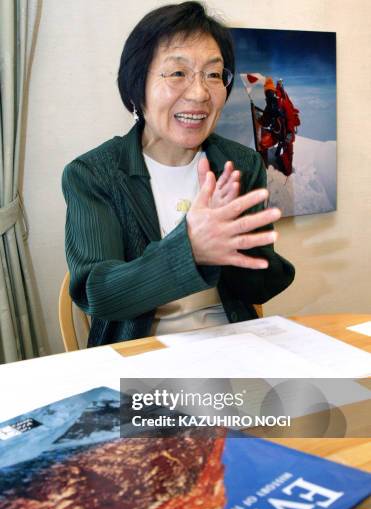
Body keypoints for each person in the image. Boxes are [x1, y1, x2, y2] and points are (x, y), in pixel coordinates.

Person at [62, 1, 295, 348]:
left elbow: (258, 288)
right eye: (177, 73)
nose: (200, 93)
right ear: (137, 84)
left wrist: (244, 252)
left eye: (214, 75)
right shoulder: (94, 174)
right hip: (139, 354)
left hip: (233, 348)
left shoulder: (241, 164)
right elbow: (99, 293)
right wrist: (191, 248)